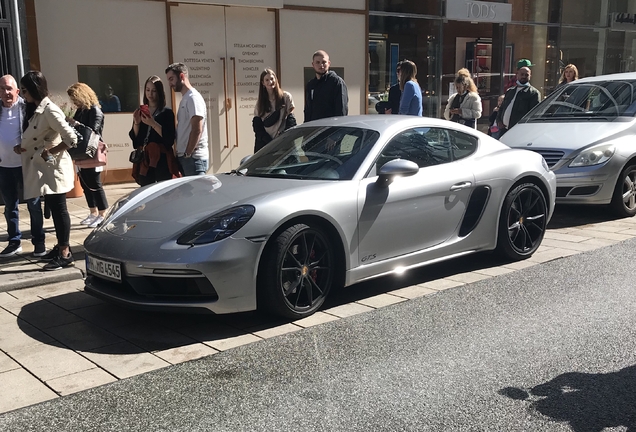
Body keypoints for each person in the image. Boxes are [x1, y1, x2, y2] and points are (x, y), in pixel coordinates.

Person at [17, 71, 78, 270]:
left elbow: (71, 139)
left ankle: (65, 253)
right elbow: (37, 135)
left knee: (59, 209)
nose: (23, 94)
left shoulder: (49, 109)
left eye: (24, 90)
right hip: (45, 168)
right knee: (53, 206)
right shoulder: (37, 109)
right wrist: (23, 147)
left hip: (54, 167)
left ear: (34, 88)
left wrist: (49, 152)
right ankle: (61, 246)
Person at [0, 75, 45, 257]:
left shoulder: (27, 107)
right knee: (10, 206)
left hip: (26, 165)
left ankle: (39, 242)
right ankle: (14, 241)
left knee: (33, 205)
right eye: (2, 89)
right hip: (4, 166)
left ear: (17, 91)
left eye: (9, 88)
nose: (6, 92)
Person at [67, 83, 108, 228]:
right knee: (85, 183)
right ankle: (93, 212)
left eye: (75, 98)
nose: (74, 102)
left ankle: (102, 213)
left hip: (92, 150)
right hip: (81, 151)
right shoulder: (80, 111)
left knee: (95, 183)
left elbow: (93, 131)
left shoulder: (95, 111)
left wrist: (76, 124)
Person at [130, 75, 178, 185]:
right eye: (147, 90)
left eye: (154, 91)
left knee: (163, 191)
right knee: (145, 190)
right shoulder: (141, 111)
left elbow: (169, 138)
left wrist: (152, 123)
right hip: (145, 158)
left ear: (159, 92)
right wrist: (136, 123)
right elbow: (136, 139)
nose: (150, 94)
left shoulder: (166, 112)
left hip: (161, 159)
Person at [165, 63, 208, 176]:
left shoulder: (193, 98)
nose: (170, 84)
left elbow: (196, 129)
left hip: (194, 158)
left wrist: (188, 153)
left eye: (171, 79)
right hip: (186, 158)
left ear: (182, 77)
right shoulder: (185, 98)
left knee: (197, 193)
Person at [252, 68, 295, 153]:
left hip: (283, 143)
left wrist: (285, 137)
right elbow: (258, 127)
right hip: (266, 144)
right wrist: (268, 141)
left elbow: (291, 119)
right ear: (263, 83)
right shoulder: (260, 103)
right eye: (267, 80)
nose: (270, 82)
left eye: (272, 79)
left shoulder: (286, 97)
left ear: (276, 80)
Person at [497, 65, 541, 136]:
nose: (523, 76)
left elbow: (533, 113)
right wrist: (499, 121)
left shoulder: (534, 93)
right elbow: (501, 108)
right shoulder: (510, 91)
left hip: (519, 131)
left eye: (526, 75)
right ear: (517, 75)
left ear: (530, 76)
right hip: (503, 130)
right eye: (522, 74)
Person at [304, 50, 348, 122]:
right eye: (318, 62)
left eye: (324, 62)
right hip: (314, 128)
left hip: (330, 128)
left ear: (329, 63)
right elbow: (308, 110)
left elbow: (341, 110)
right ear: (313, 64)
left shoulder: (337, 83)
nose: (321, 65)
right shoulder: (310, 85)